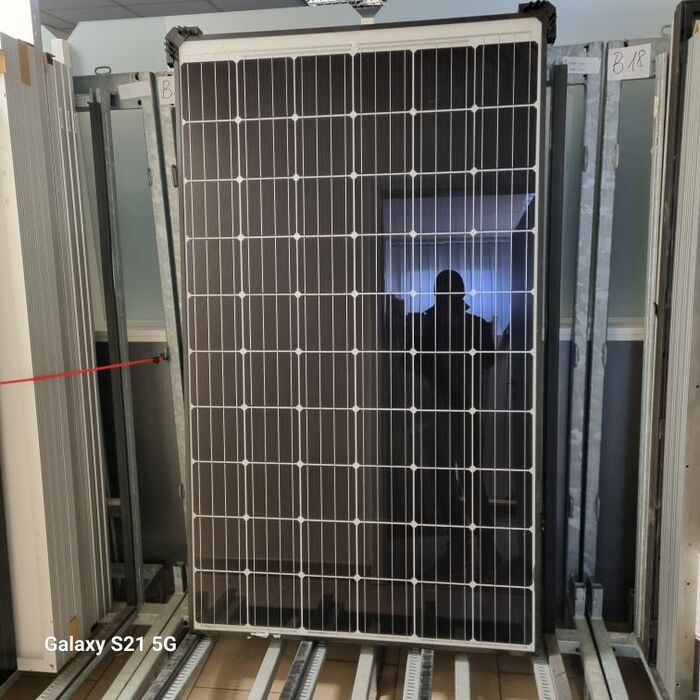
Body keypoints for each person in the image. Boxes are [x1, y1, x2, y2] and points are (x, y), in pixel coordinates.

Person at [413, 269, 495, 584]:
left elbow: (487, 359)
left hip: (460, 414)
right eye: (443, 294)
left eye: (449, 294)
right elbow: (416, 360)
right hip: (441, 415)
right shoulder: (428, 324)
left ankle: (483, 553)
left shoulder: (471, 326)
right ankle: (465, 550)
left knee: (468, 485)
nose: (446, 299)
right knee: (448, 484)